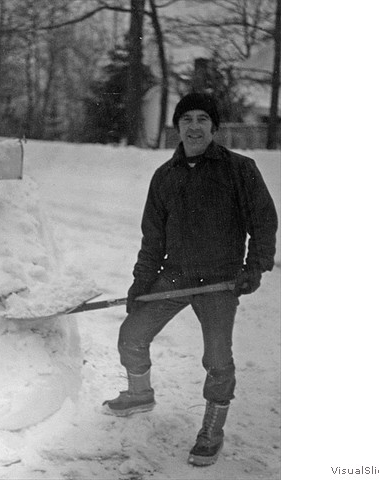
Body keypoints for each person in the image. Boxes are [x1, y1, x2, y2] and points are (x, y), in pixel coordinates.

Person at [102, 92, 278, 467]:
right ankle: (139, 395)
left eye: (202, 119)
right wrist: (140, 284)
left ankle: (212, 428)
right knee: (131, 336)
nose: (194, 126)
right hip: (176, 275)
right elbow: (153, 239)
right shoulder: (165, 176)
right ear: (177, 127)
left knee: (217, 358)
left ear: (214, 127)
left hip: (220, 280)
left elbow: (263, 222)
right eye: (186, 120)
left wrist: (254, 266)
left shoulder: (240, 169)